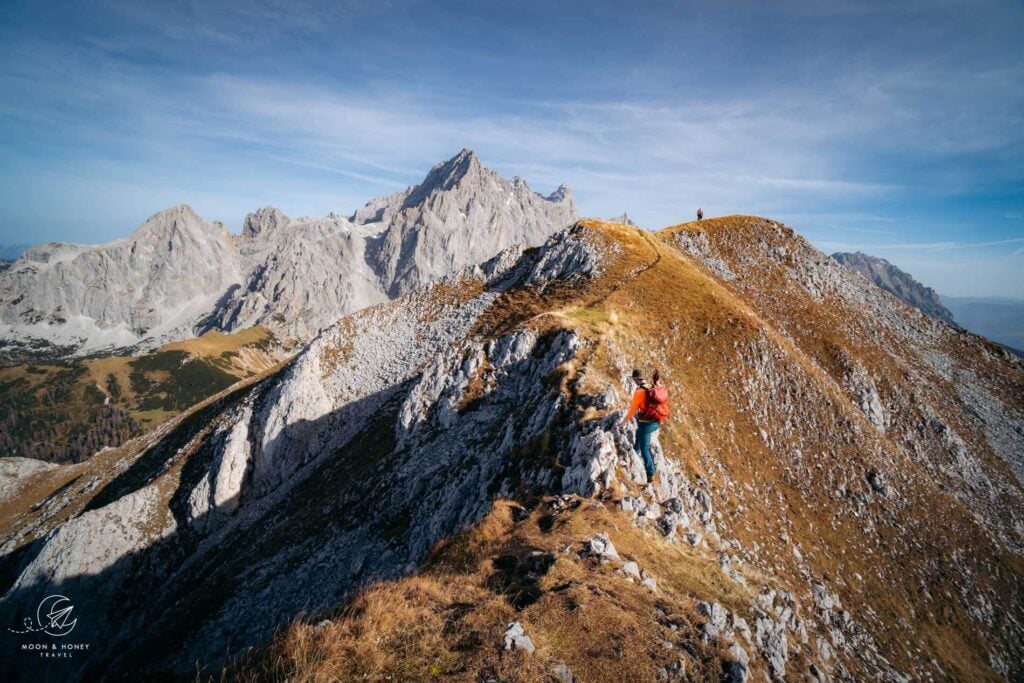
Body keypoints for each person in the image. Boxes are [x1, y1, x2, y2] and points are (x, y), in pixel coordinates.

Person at [619, 369, 670, 482]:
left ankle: (650, 473)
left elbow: (633, 409)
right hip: (656, 421)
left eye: (633, 379)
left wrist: (623, 422)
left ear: (637, 379)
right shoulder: (651, 387)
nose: (633, 381)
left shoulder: (640, 391)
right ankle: (634, 455)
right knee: (638, 434)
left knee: (644, 448)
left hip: (647, 423)